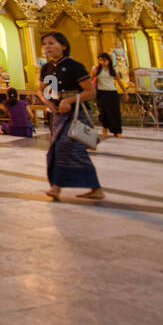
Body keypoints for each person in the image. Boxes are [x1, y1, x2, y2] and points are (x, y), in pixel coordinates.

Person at [39, 31, 104, 201]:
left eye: (52, 43)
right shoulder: (47, 68)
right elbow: (43, 89)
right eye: (45, 44)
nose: (48, 47)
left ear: (64, 46)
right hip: (59, 115)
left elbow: (90, 91)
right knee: (59, 149)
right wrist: (47, 101)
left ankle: (57, 187)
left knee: (66, 146)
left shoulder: (74, 66)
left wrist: (69, 100)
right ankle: (92, 187)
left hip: (77, 113)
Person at [95, 52, 124, 138]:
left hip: (112, 92)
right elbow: (92, 80)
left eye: (104, 60)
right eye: (100, 60)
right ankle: (105, 128)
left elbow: (119, 82)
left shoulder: (113, 70)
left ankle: (117, 131)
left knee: (115, 112)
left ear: (108, 61)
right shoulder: (96, 70)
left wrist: (125, 92)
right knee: (103, 111)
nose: (102, 62)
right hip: (101, 92)